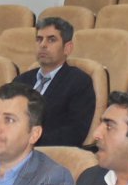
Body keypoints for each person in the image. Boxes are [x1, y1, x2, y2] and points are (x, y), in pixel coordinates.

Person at [29, 17, 97, 148]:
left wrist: (29, 141)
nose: (43, 45)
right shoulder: (21, 80)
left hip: (50, 153)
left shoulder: (78, 82)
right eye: (39, 39)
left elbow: (75, 132)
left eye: (51, 40)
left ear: (67, 48)